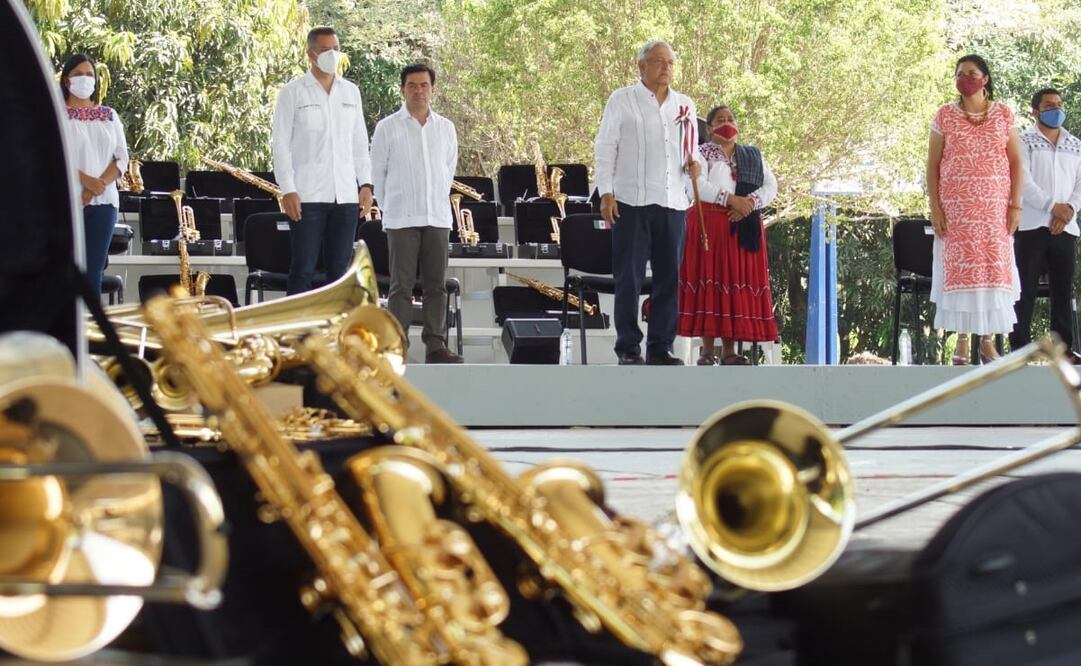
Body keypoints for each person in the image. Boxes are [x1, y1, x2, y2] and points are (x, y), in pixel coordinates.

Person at [594, 40, 701, 366]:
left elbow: (691, 152)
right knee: (629, 277)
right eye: (658, 61)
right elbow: (605, 146)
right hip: (631, 201)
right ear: (641, 66)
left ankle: (661, 346)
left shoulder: (684, 106)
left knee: (669, 279)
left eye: (670, 62)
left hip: (672, 202)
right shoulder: (622, 99)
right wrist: (606, 192)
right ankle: (628, 346)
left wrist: (695, 165)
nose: (666, 67)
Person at [927, 54, 1023, 364]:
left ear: (985, 78)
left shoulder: (1004, 115)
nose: (964, 78)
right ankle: (962, 342)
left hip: (994, 211)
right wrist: (936, 208)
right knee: (960, 274)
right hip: (956, 211)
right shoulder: (944, 116)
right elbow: (933, 164)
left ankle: (987, 341)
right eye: (959, 73)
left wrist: (1016, 205)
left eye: (971, 72)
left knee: (991, 272)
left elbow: (1016, 161)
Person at [371, 63, 463, 364]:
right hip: (401, 218)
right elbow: (378, 175)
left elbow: (447, 171)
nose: (419, 91)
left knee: (436, 285)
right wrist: (391, 207)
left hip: (437, 216)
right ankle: (397, 348)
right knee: (401, 287)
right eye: (412, 85)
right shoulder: (387, 127)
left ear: (432, 90)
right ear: (402, 89)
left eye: (424, 85)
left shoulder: (446, 128)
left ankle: (435, 346)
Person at [272, 26, 373, 295]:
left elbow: (360, 143)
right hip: (307, 195)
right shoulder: (293, 92)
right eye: (326, 49)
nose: (332, 55)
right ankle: (299, 335)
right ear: (311, 54)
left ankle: (335, 334)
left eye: (336, 49)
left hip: (345, 198)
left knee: (340, 272)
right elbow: (280, 144)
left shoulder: (351, 92)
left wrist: (366, 184)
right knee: (303, 268)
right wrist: (288, 189)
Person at [678, 105, 778, 365]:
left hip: (743, 225)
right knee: (710, 282)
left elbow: (771, 185)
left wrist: (749, 204)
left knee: (734, 284)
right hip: (708, 224)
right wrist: (730, 199)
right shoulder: (700, 153)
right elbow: (695, 186)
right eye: (720, 120)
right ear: (709, 128)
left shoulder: (752, 155)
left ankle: (731, 351)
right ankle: (707, 350)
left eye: (731, 119)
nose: (726, 123)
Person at [1009, 87, 1081, 360]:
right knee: (1024, 289)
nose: (1057, 109)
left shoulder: (1075, 144)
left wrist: (1069, 209)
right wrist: (1053, 207)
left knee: (1062, 290)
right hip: (1031, 225)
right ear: (1035, 111)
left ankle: (1063, 350)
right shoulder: (1023, 140)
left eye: (1060, 104)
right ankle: (1019, 348)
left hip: (1066, 227)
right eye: (1050, 105)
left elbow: (1079, 183)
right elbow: (1023, 180)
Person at [61, 54, 128, 297]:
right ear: (67, 81)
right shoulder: (56, 114)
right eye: (79, 74)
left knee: (93, 273)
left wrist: (95, 187)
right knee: (63, 271)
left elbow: (121, 157)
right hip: (66, 203)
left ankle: (89, 331)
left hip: (104, 203)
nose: (85, 79)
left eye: (90, 75)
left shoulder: (109, 115)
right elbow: (51, 154)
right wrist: (84, 180)